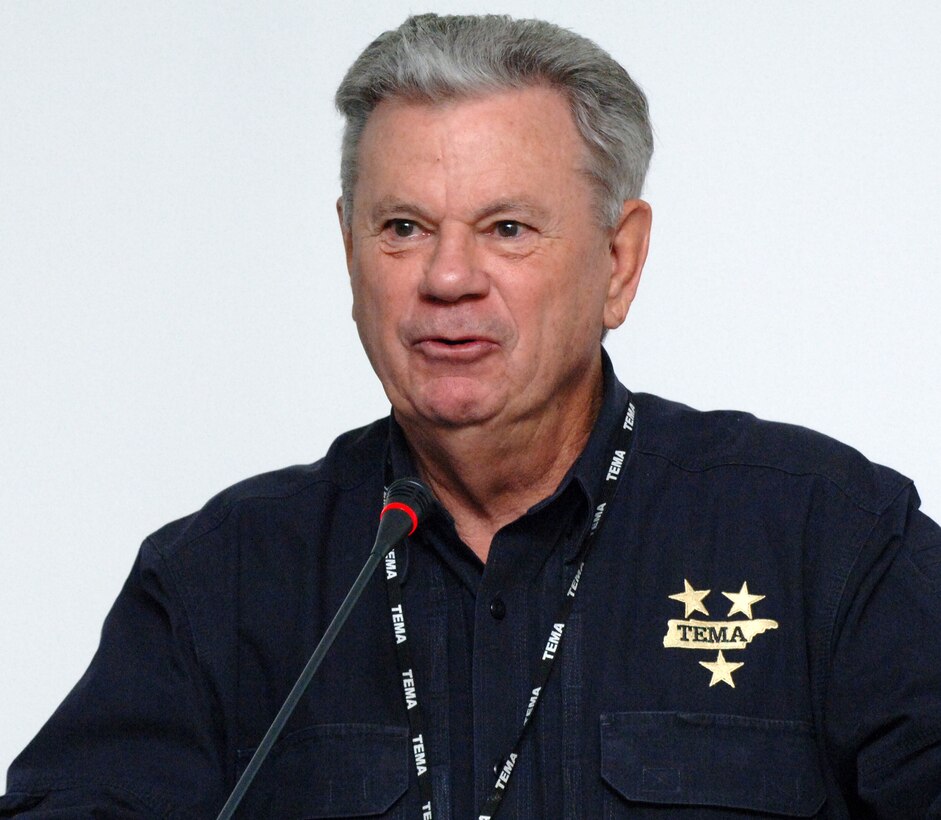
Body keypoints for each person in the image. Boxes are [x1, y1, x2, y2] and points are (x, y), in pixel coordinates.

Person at [3, 12, 940, 818]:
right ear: (349, 251)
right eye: (403, 228)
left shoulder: (828, 539)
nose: (447, 279)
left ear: (619, 262)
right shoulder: (223, 579)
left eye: (506, 229)